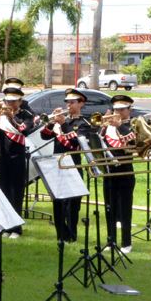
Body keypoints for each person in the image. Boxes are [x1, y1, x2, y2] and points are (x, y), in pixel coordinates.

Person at [39, 88, 93, 243]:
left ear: (81, 103)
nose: (68, 105)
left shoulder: (84, 123)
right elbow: (44, 136)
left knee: (72, 206)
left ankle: (72, 236)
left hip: (73, 167)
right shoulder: (61, 121)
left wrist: (64, 124)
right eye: (67, 102)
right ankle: (61, 235)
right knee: (58, 203)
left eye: (72, 102)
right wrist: (51, 122)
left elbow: (77, 142)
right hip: (57, 165)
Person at [0, 86, 35, 237]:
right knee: (4, 192)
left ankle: (16, 228)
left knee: (16, 193)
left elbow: (23, 130)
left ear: (20, 101)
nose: (9, 104)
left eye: (13, 101)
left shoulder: (27, 114)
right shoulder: (0, 115)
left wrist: (11, 118)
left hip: (18, 157)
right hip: (2, 156)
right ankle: (6, 226)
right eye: (7, 100)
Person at [100, 94, 137, 253]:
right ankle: (111, 240)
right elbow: (97, 141)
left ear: (129, 110)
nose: (118, 113)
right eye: (116, 110)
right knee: (110, 208)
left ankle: (126, 243)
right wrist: (103, 125)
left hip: (125, 171)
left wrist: (119, 125)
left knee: (125, 209)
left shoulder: (133, 124)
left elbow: (132, 141)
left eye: (122, 109)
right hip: (109, 171)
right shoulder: (107, 126)